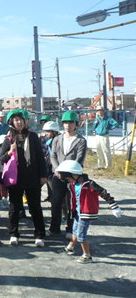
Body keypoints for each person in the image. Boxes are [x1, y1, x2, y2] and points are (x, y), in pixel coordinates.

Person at [0, 109, 47, 247]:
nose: (18, 122)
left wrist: (43, 175)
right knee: (14, 208)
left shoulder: (33, 136)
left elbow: (40, 158)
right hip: (15, 179)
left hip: (32, 177)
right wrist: (10, 151)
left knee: (35, 207)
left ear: (26, 121)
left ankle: (39, 235)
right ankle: (13, 234)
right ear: (11, 122)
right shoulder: (8, 139)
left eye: (21, 119)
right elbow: (1, 159)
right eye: (16, 120)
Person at [55, 160, 122, 263]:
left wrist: (114, 206)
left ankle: (87, 255)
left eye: (68, 178)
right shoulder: (73, 184)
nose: (68, 181)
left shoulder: (89, 184)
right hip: (77, 212)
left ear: (74, 174)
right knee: (75, 231)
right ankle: (70, 247)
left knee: (81, 236)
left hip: (86, 213)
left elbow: (103, 193)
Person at [48, 111, 87, 240]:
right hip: (58, 176)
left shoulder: (81, 140)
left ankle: (71, 229)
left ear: (76, 124)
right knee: (56, 202)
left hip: (73, 177)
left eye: (70, 122)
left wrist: (69, 173)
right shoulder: (57, 139)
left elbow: (79, 159)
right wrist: (57, 170)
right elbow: (53, 155)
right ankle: (54, 228)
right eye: (65, 123)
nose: (67, 125)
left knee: (72, 204)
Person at [41, 121, 60, 202]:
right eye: (45, 132)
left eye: (48, 132)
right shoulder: (46, 140)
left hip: (57, 167)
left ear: (55, 131)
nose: (46, 134)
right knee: (50, 185)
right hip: (48, 166)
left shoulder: (59, 140)